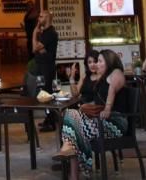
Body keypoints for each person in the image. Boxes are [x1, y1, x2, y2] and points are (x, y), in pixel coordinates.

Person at [55, 49, 128, 179]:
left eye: (99, 61)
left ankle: (75, 169)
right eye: (94, 61)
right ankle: (71, 156)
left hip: (115, 122)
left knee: (74, 128)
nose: (96, 64)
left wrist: (107, 108)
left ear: (109, 62)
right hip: (100, 119)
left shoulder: (116, 73)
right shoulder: (102, 77)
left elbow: (112, 88)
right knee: (70, 115)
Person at [33, 10, 58, 131]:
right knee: (42, 93)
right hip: (41, 66)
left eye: (41, 16)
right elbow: (38, 49)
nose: (39, 18)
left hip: (47, 68)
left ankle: (52, 122)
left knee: (47, 94)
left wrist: (34, 33)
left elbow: (34, 48)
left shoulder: (50, 33)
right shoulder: (44, 33)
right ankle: (48, 119)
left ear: (47, 18)